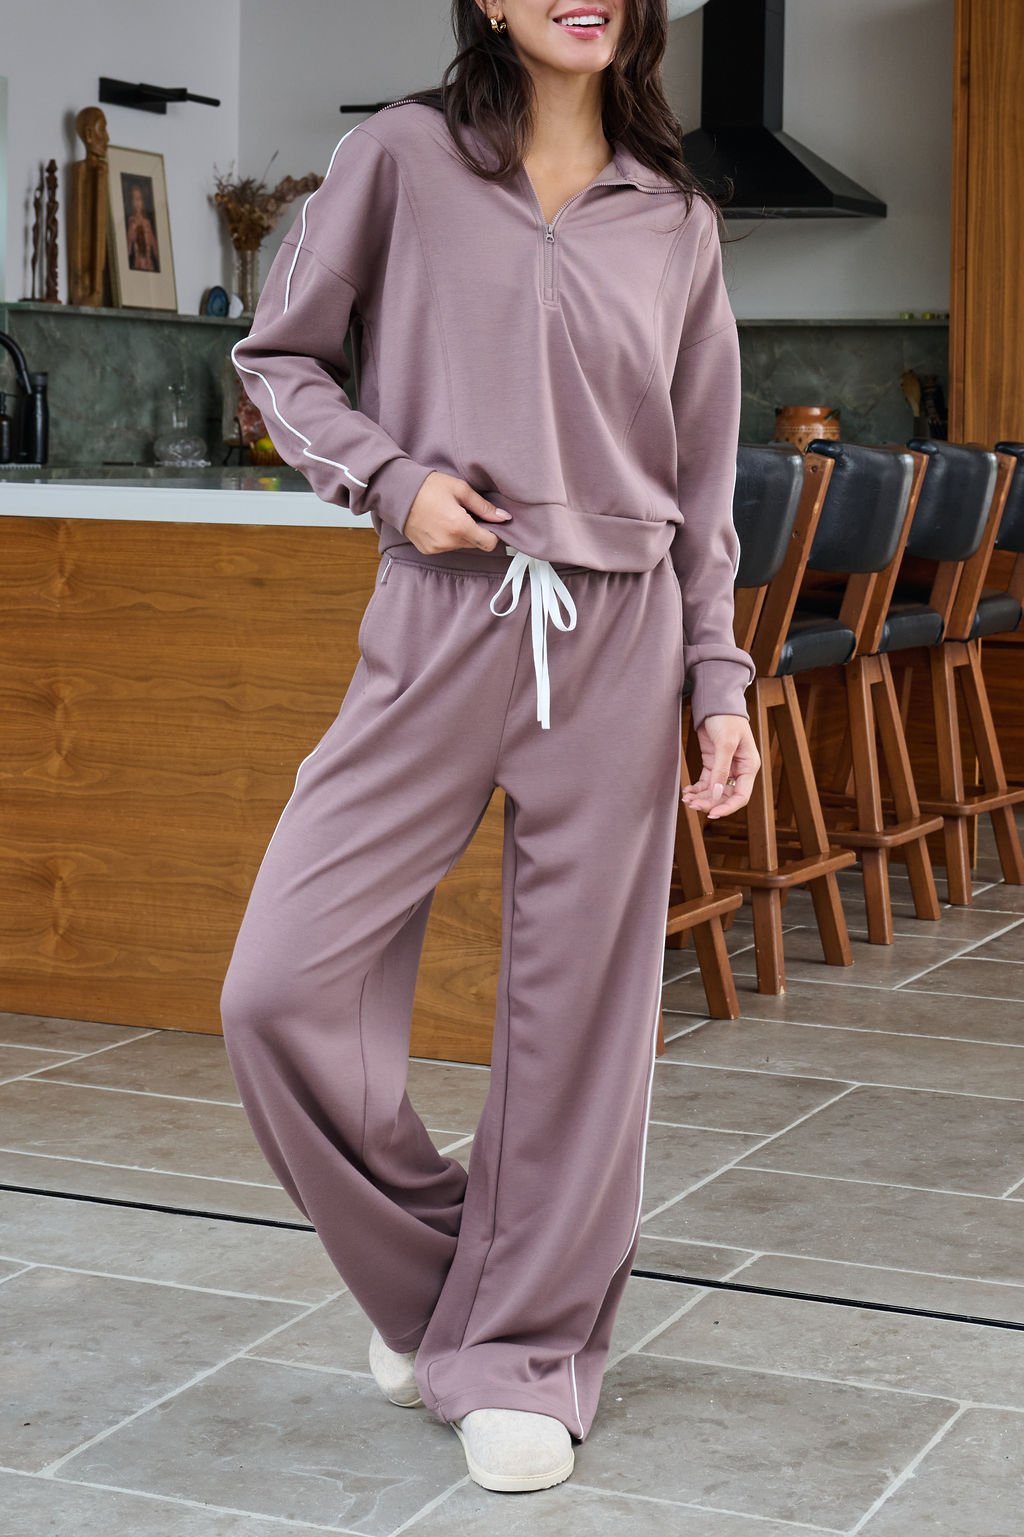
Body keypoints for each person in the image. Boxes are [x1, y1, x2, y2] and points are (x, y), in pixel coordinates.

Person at [220, 0, 761, 1496]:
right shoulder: (398, 158)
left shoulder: (678, 223)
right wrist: (395, 484)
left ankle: (523, 1348)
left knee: (581, 1031)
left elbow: (705, 484)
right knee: (279, 984)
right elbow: (280, 364)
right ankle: (448, 1285)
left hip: (622, 638)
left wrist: (719, 678)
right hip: (442, 616)